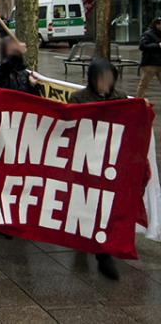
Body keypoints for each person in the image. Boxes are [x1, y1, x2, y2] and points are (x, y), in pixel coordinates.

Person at [68, 58, 127, 280]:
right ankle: (85, 237)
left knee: (104, 206)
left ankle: (103, 254)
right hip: (87, 161)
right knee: (88, 203)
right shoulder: (79, 98)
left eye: (108, 78)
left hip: (110, 162)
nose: (105, 83)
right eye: (100, 78)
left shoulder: (120, 98)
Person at [137, 17, 161, 98]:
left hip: (159, 62)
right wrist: (157, 45)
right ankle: (139, 100)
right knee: (144, 84)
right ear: (156, 24)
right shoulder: (148, 34)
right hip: (150, 63)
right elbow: (142, 46)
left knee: (143, 84)